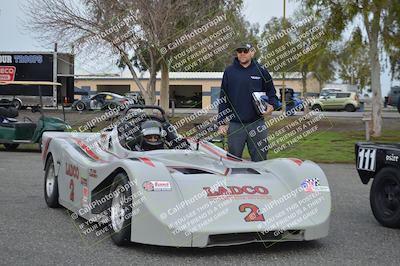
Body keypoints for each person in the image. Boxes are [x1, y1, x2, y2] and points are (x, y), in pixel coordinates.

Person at [217, 43, 276, 161]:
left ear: (252, 52)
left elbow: (271, 93)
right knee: (233, 161)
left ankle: (260, 179)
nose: (242, 54)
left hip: (257, 124)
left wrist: (271, 105)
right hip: (235, 125)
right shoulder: (229, 72)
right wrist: (221, 122)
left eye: (245, 51)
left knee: (260, 160)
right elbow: (224, 98)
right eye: (239, 51)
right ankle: (234, 180)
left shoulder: (262, 71)